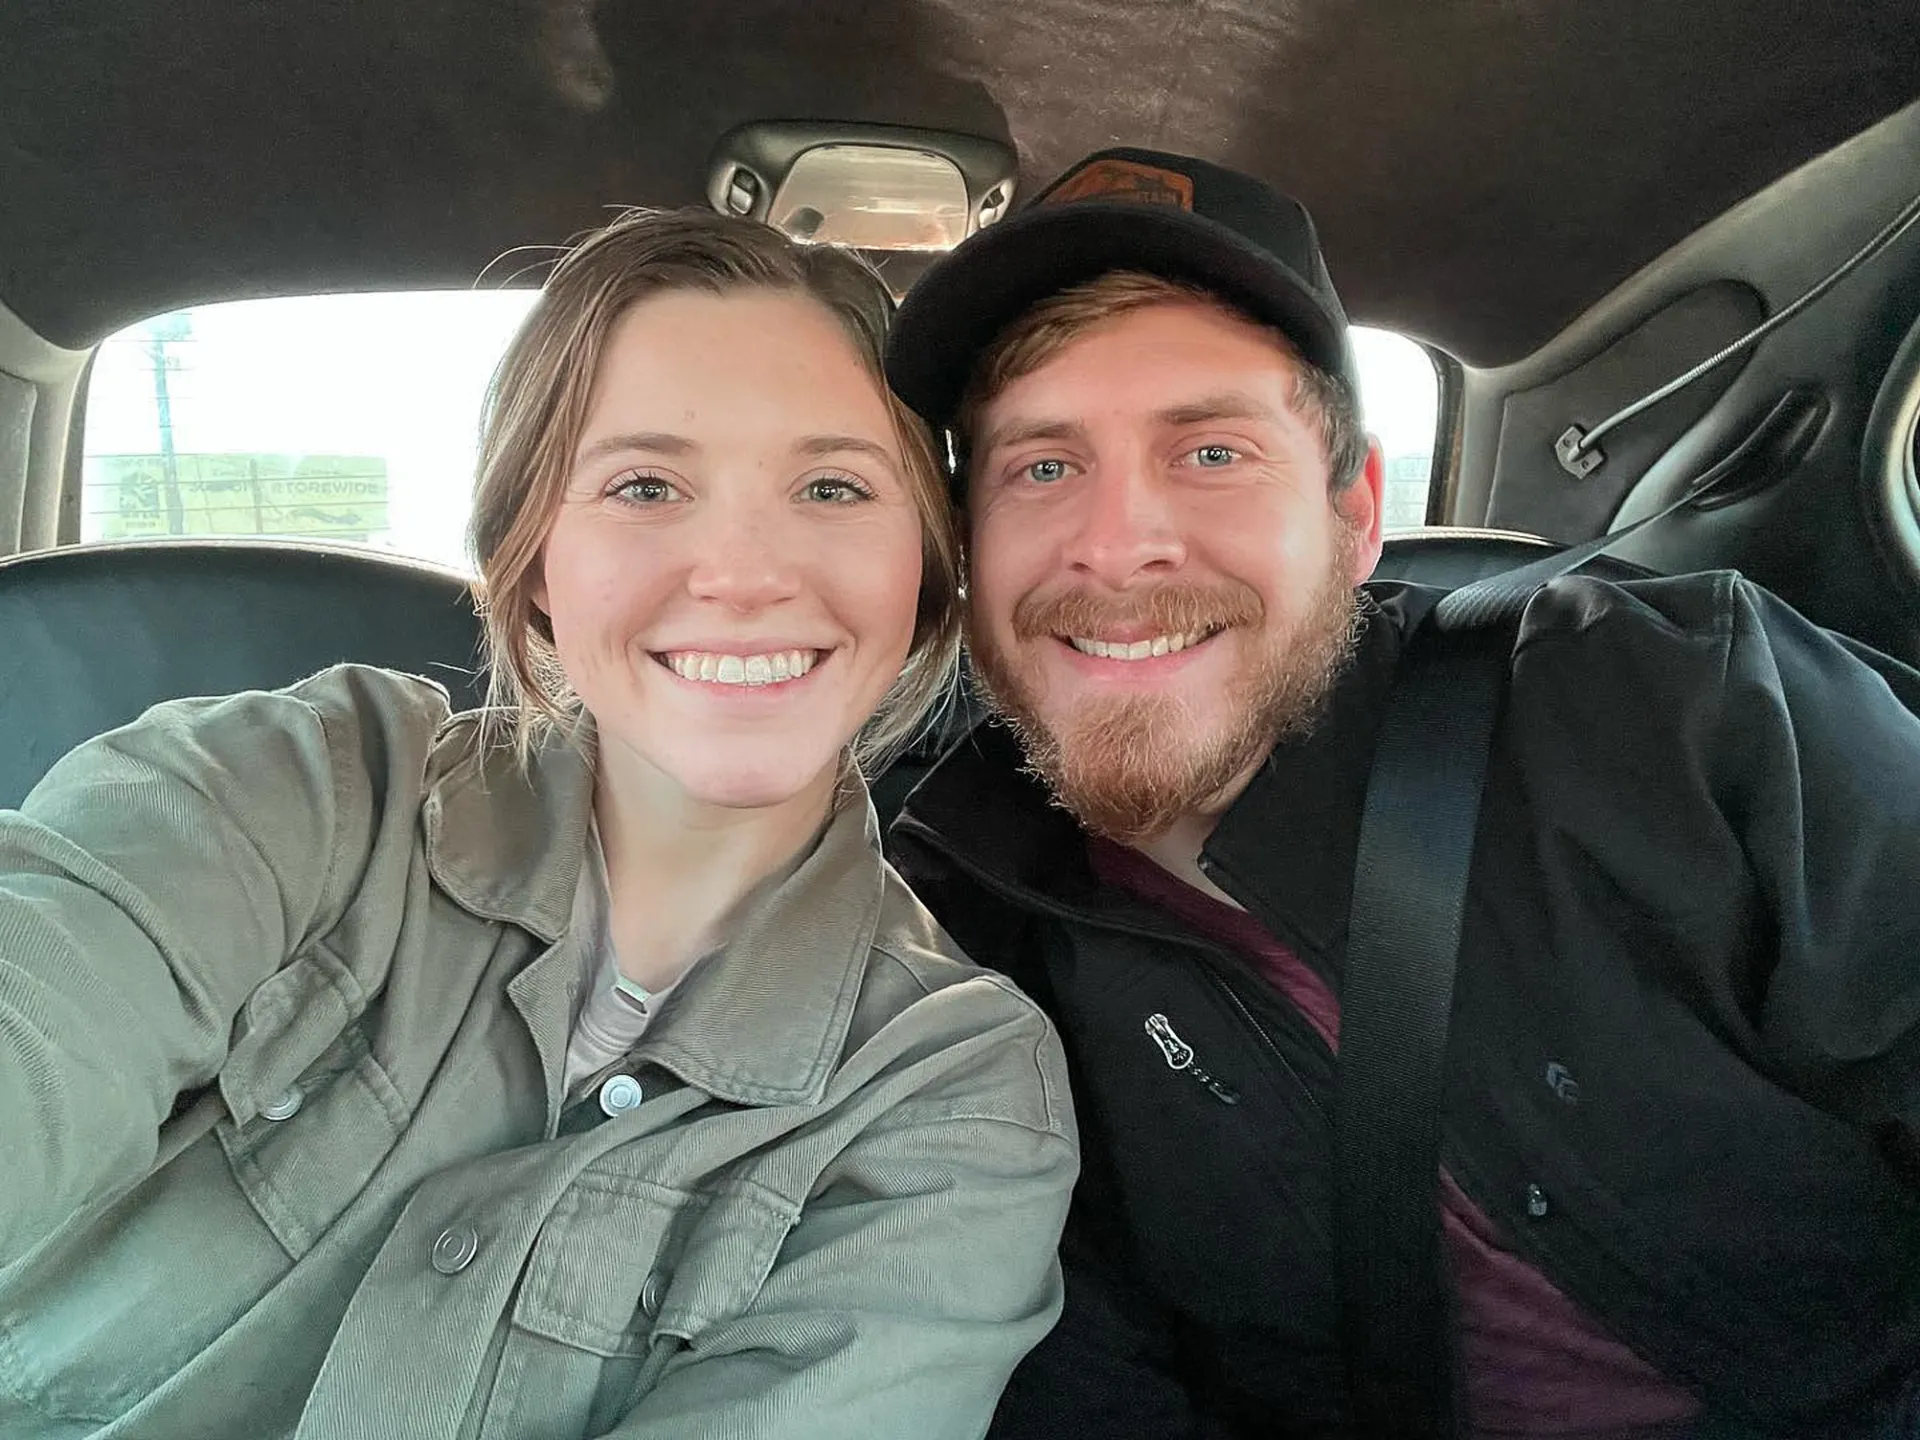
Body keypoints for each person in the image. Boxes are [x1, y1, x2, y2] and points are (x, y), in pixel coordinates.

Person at [881, 148, 1920, 1438]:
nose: (1117, 543)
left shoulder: (1686, 703)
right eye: (1041, 468)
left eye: (1211, 450)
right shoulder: (954, 959)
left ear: (1358, 512)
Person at [0, 209, 1077, 1439]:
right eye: (644, 486)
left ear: (928, 573)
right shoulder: (287, 788)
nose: (743, 574)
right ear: (535, 562)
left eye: (832, 487)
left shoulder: (953, 1094)